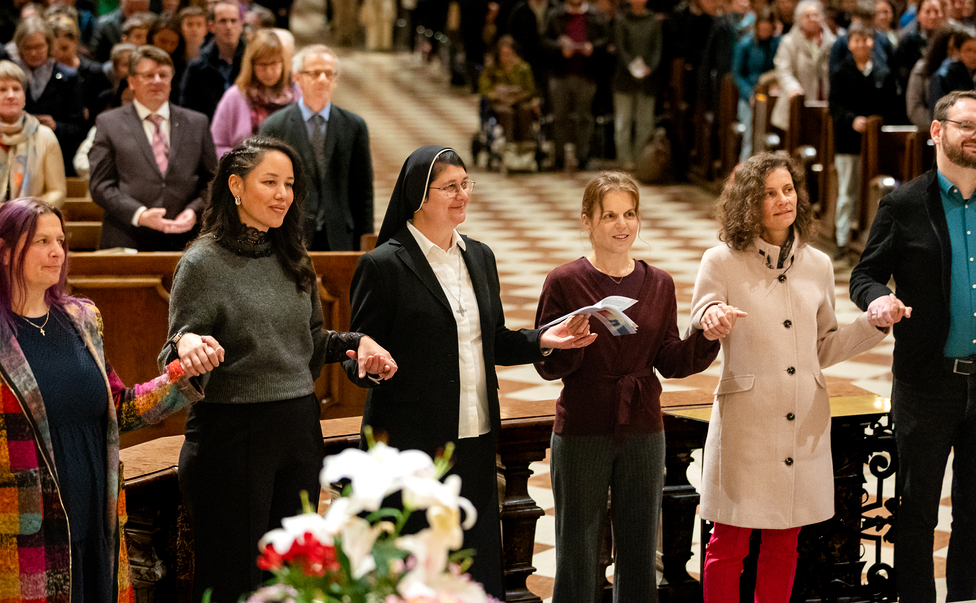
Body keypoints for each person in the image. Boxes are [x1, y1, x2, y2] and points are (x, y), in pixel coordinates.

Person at [345, 145, 596, 599]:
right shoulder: (384, 265)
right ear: (419, 196)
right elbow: (356, 353)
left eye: (466, 184)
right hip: (410, 445)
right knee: (414, 570)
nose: (463, 195)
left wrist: (544, 339)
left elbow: (493, 339)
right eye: (450, 187)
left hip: (475, 437)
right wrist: (371, 366)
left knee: (472, 565)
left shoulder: (479, 256)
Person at [161, 135, 395, 603]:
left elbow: (309, 343)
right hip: (231, 434)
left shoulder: (293, 255)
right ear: (236, 186)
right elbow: (176, 350)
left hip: (298, 429)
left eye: (289, 184)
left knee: (293, 580)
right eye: (269, 182)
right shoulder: (202, 262)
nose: (283, 194)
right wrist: (186, 344)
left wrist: (357, 344)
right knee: (234, 582)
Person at [0, 196, 220, 603]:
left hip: (97, 519)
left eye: (61, 241)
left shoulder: (82, 318)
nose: (57, 252)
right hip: (26, 531)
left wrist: (183, 374)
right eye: (41, 241)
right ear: (6, 251)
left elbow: (119, 408)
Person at [692, 152, 886, 603]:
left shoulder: (818, 264)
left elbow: (822, 347)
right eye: (769, 193)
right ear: (748, 203)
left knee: (784, 542)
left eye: (788, 189)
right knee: (729, 542)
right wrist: (712, 317)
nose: (784, 200)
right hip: (747, 421)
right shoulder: (721, 260)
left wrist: (872, 324)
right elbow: (702, 314)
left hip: (801, 421)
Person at [534, 172, 719, 603]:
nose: (623, 225)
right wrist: (568, 343)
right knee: (577, 549)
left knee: (638, 550)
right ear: (587, 221)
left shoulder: (660, 283)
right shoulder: (564, 281)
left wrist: (707, 337)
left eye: (630, 214)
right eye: (610, 216)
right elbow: (547, 366)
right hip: (583, 424)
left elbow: (669, 359)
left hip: (642, 426)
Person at [851, 89, 976, 603]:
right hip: (928, 383)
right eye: (968, 126)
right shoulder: (905, 203)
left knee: (975, 516)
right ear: (937, 131)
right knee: (916, 513)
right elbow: (865, 274)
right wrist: (877, 299)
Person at [89, 45, 217, 251]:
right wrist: (140, 214)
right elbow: (100, 185)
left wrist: (194, 211)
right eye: (149, 75)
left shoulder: (197, 123)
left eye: (163, 75)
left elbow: (211, 181)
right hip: (127, 237)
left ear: (171, 80)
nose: (157, 81)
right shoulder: (109, 123)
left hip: (185, 239)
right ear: (132, 81)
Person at [259, 45, 373, 251]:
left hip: (340, 234)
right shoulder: (275, 126)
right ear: (297, 78)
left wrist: (366, 240)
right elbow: (265, 186)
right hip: (290, 233)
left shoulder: (354, 125)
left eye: (329, 74)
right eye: (315, 73)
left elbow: (363, 188)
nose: (323, 79)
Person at [829, 26, 894, 257]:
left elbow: (891, 105)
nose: (862, 44)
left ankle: (867, 238)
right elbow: (834, 106)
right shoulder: (840, 72)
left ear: (872, 42)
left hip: (875, 143)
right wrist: (852, 120)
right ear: (850, 44)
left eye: (866, 39)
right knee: (847, 190)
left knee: (871, 191)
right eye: (856, 40)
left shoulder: (882, 72)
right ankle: (842, 239)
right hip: (848, 141)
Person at [543, 0, 610, 169]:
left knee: (584, 118)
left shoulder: (596, 16)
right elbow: (544, 40)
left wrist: (592, 47)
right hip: (560, 74)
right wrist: (560, 47)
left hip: (586, 74)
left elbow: (606, 39)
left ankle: (583, 157)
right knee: (560, 118)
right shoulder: (555, 15)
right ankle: (558, 158)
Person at [11, 16, 87, 175]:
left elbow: (79, 129)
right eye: (28, 47)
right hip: (16, 160)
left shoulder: (69, 78)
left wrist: (55, 126)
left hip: (58, 160)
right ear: (19, 48)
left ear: (49, 45)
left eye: (39, 46)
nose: (33, 52)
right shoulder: (10, 78)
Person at [211, 30, 296, 157]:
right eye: (262, 65)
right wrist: (240, 162)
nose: (268, 71)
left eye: (274, 64)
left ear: (283, 63)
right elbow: (216, 144)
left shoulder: (297, 93)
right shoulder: (235, 96)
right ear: (251, 65)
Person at [612, 0, 661, 170]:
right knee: (623, 121)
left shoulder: (653, 21)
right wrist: (632, 67)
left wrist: (649, 67)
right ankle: (624, 159)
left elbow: (657, 49)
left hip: (648, 77)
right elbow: (621, 48)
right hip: (625, 76)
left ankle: (642, 158)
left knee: (645, 122)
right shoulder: (621, 20)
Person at [0, 62, 66, 206]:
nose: (11, 95)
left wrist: (23, 212)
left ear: (24, 96)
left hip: (31, 217)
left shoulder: (44, 136)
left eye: (16, 88)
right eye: (2, 89)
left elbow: (57, 191)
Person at [770, 0, 836, 131]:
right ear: (799, 19)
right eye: (807, 16)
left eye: (816, 15)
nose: (812, 19)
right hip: (797, 103)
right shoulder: (789, 41)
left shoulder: (832, 42)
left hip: (825, 104)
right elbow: (783, 69)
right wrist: (792, 88)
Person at [179, 0, 246, 120]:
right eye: (223, 21)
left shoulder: (252, 61)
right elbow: (187, 110)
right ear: (212, 26)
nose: (229, 26)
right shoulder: (197, 65)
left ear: (241, 25)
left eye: (233, 21)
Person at [731, 8, 779, 160]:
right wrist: (748, 94)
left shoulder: (778, 44)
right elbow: (737, 74)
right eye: (762, 28)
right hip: (750, 96)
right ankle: (745, 167)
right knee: (750, 137)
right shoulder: (745, 44)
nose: (764, 32)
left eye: (768, 29)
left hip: (771, 96)